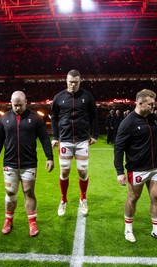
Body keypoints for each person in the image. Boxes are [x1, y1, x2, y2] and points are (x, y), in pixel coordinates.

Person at [114, 89, 157, 244]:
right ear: (140, 103)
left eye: (153, 104)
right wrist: (119, 171)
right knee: (133, 197)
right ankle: (128, 228)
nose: (153, 107)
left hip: (156, 167)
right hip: (136, 168)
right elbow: (119, 147)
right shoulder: (127, 122)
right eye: (150, 105)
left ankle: (156, 230)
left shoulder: (153, 118)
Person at [0, 91, 54, 236]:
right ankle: (8, 220)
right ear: (11, 102)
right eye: (15, 105)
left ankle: (32, 223)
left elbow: (44, 138)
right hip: (10, 164)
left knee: (29, 192)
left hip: (29, 164)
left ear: (26, 102)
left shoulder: (36, 118)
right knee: (10, 192)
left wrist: (49, 157)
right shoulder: (4, 118)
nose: (17, 108)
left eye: (20, 105)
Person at [50, 69, 99, 217]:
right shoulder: (59, 98)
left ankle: (83, 198)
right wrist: (54, 136)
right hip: (65, 140)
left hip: (82, 140)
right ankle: (63, 200)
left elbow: (94, 116)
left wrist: (95, 134)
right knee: (64, 172)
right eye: (70, 82)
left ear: (80, 81)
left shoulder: (87, 96)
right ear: (66, 81)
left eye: (75, 82)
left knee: (82, 172)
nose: (73, 85)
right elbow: (54, 117)